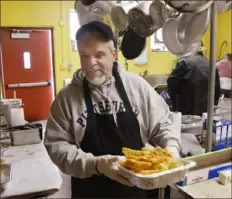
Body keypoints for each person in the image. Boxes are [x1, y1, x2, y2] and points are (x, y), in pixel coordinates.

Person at [44, 21, 181, 198]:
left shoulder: (137, 87)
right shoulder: (67, 98)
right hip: (90, 190)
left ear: (113, 54)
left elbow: (163, 124)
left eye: (99, 55)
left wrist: (170, 148)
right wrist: (96, 164)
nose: (91, 63)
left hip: (138, 190)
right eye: (84, 56)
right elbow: (57, 147)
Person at [167, 42, 221, 116]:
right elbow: (217, 88)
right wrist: (214, 104)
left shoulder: (184, 62)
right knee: (203, 127)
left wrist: (174, 105)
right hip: (205, 110)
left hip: (187, 109)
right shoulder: (210, 64)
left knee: (188, 127)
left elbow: (171, 84)